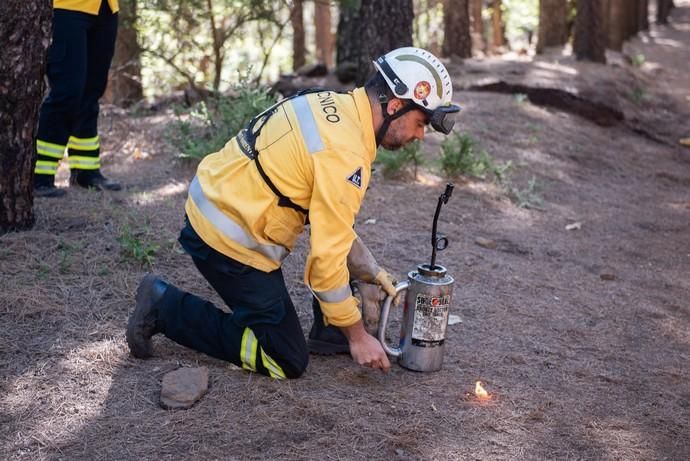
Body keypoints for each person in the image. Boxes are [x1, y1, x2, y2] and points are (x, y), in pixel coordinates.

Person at [126, 47, 461, 379]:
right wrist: (358, 336)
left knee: (326, 276)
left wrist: (368, 268)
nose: (419, 135)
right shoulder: (345, 156)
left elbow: (330, 220)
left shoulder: (330, 102)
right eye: (419, 123)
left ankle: (329, 329)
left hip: (214, 200)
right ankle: (164, 307)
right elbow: (325, 265)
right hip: (227, 239)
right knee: (286, 357)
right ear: (395, 105)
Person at [34, 0, 122, 198]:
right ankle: (39, 175)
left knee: (91, 93)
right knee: (66, 93)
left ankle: (86, 172)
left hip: (106, 8)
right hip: (67, 8)